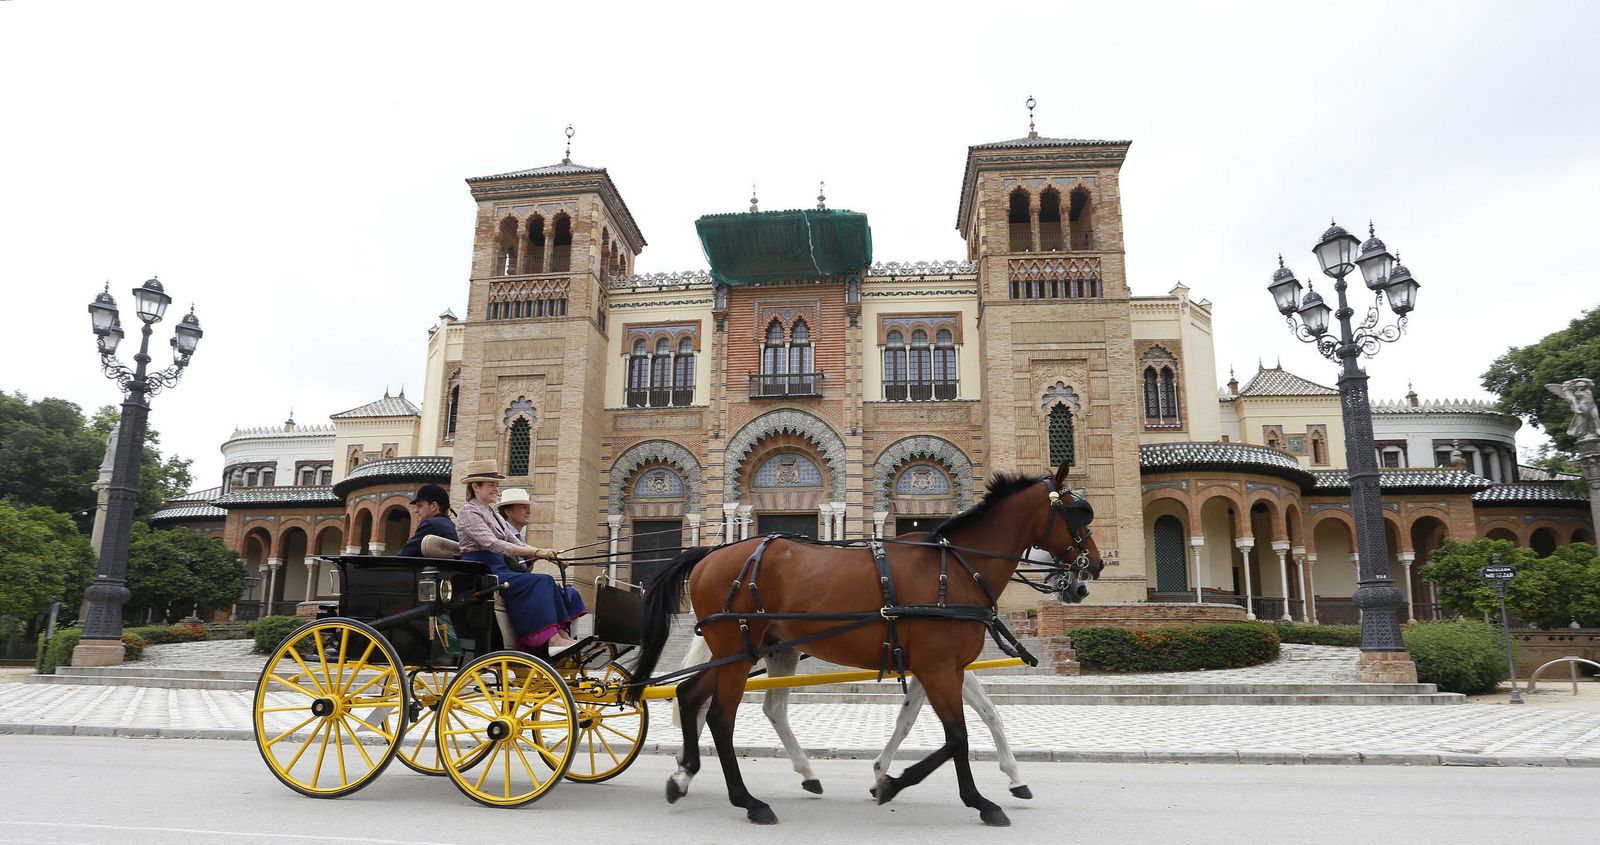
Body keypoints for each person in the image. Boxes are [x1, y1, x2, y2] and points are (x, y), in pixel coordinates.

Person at [455, 460, 583, 651]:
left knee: (552, 583)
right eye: (491, 484)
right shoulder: (468, 512)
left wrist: (548, 555)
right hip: (482, 572)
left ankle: (562, 635)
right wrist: (535, 552)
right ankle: (551, 639)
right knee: (542, 581)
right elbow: (493, 544)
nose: (496, 488)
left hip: (499, 569)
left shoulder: (492, 514)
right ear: (475, 487)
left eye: (496, 484)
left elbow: (516, 542)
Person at [499, 487, 587, 635]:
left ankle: (568, 637)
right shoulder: (502, 533)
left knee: (570, 593)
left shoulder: (517, 537)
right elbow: (512, 564)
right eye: (523, 507)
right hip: (510, 583)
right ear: (508, 511)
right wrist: (538, 556)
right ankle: (552, 637)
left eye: (528, 507)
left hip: (521, 581)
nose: (528, 511)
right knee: (546, 582)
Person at [397, 483, 458, 558]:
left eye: (420, 505)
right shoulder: (453, 526)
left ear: (433, 506)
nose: (416, 510)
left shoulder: (430, 524)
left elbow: (404, 554)